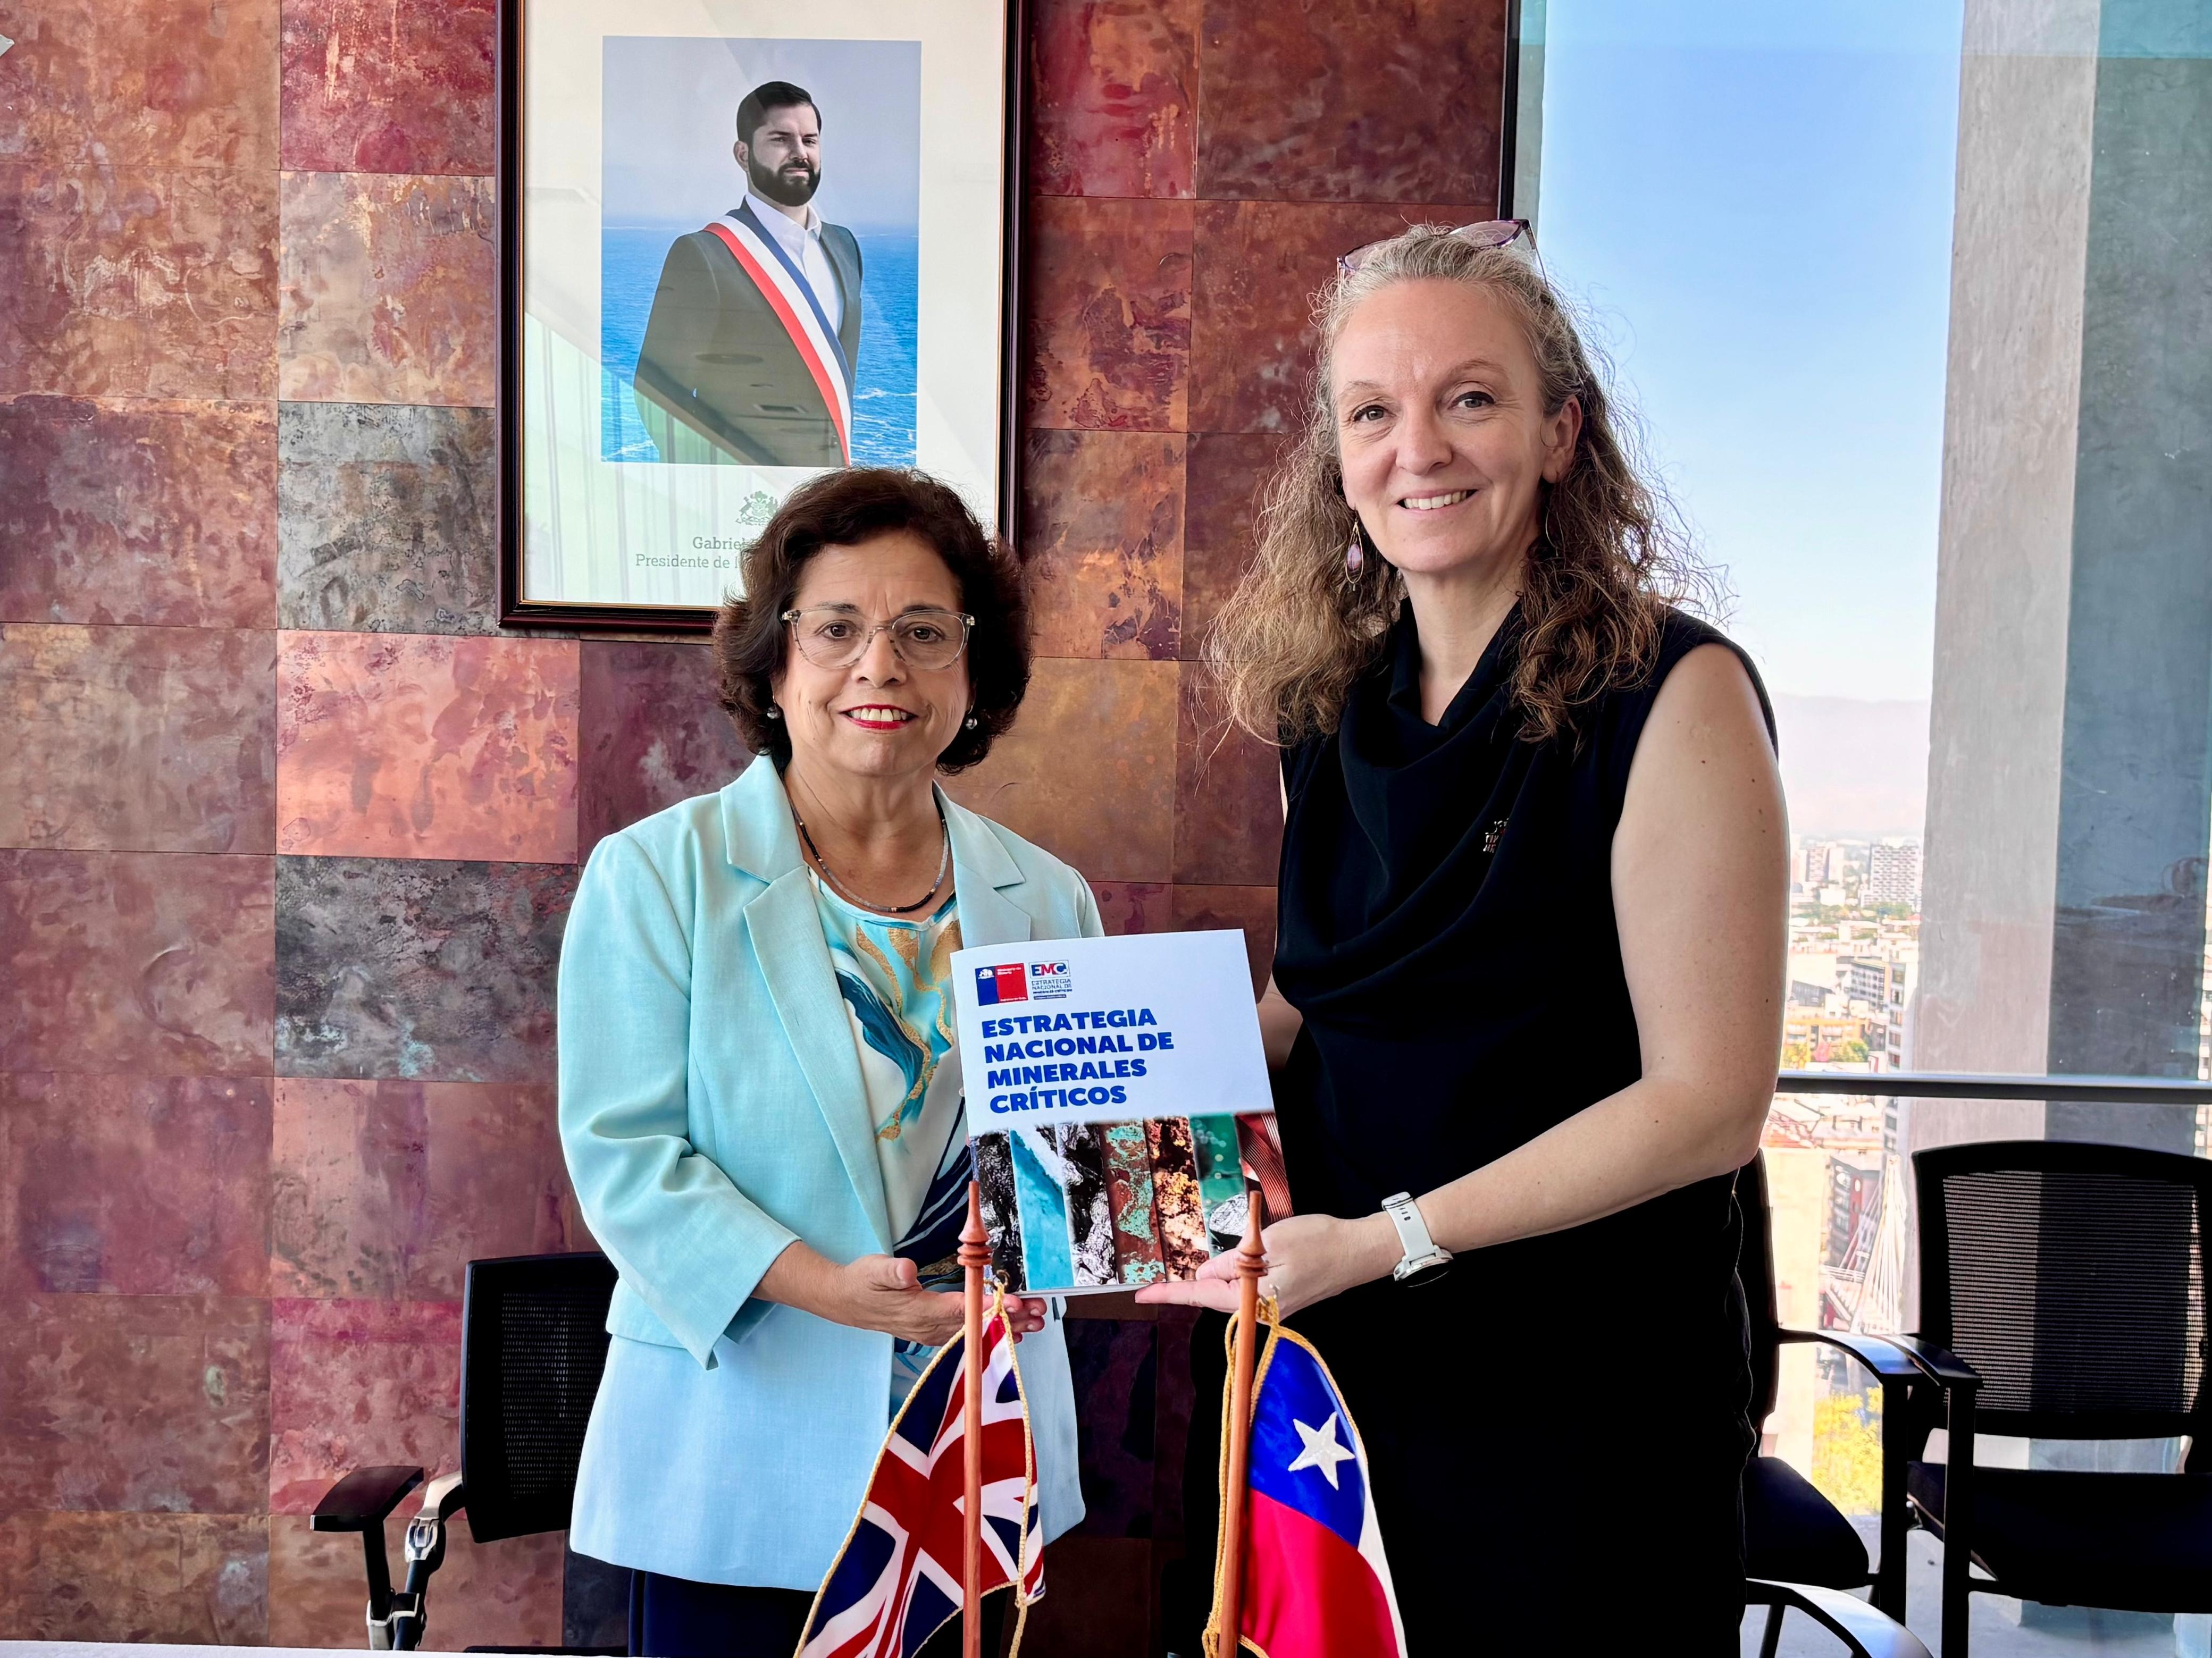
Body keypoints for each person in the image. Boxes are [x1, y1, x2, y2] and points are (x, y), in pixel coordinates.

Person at [1141, 223, 1787, 1650]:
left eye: (1471, 398)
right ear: (1338, 455)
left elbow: (1708, 1103)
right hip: (1328, 1344)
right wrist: (1117, 1137)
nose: (1418, 446)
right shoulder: (1330, 703)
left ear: (1562, 433)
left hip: (1577, 1382)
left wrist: (1390, 1241)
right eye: (1373, 410)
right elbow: (1313, 1000)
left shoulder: (1675, 694)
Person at [559, 468, 1094, 1657]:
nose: (879, 665)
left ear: (973, 666)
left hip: (969, 1457)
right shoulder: (657, 876)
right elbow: (627, 1159)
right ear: (775, 662)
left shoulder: (1049, 897)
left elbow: (1074, 1162)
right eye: (837, 628)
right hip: (735, 1452)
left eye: (922, 632)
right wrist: (823, 1285)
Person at [632, 80, 863, 468]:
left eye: (810, 140)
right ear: (743, 154)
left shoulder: (845, 247)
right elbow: (656, 396)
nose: (800, 153)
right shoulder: (703, 255)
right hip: (742, 499)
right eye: (780, 139)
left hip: (826, 498)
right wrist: (719, 485)